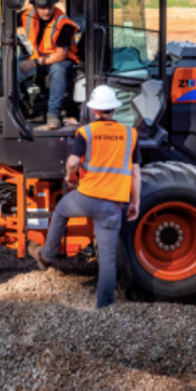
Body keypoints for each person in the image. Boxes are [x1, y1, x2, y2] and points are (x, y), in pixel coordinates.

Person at [27, 85, 141, 309]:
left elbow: (72, 162)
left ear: (95, 111)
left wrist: (70, 177)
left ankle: (46, 255)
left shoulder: (86, 132)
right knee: (107, 260)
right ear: (114, 110)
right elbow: (136, 172)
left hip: (85, 197)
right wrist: (135, 202)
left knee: (60, 211)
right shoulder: (131, 134)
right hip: (112, 206)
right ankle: (104, 306)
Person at [18, 0, 80, 130]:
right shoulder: (27, 15)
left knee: (57, 70)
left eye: (50, 6)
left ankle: (53, 116)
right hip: (40, 58)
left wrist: (35, 62)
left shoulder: (63, 23)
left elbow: (60, 54)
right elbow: (4, 23)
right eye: (42, 7)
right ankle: (22, 110)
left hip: (63, 59)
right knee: (15, 69)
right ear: (34, 6)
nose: (46, 11)